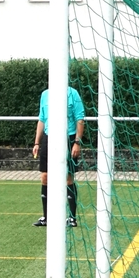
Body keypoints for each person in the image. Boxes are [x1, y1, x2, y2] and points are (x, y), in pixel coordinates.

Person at [32, 86, 86, 227]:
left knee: (68, 177)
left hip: (68, 138)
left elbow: (80, 118)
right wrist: (37, 142)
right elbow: (42, 119)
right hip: (49, 138)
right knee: (45, 176)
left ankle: (72, 218)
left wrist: (77, 143)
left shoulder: (72, 93)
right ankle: (46, 217)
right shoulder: (45, 94)